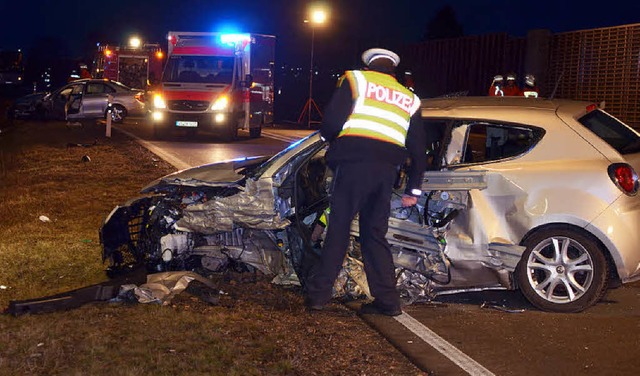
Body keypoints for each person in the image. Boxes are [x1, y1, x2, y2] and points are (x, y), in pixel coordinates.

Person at [304, 48, 427, 316]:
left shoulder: (356, 80)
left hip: (352, 167)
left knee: (338, 230)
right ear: (392, 71)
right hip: (385, 174)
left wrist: (334, 144)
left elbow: (330, 125)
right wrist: (413, 190)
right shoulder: (409, 98)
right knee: (374, 235)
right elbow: (419, 149)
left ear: (369, 66)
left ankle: (318, 296)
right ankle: (388, 301)